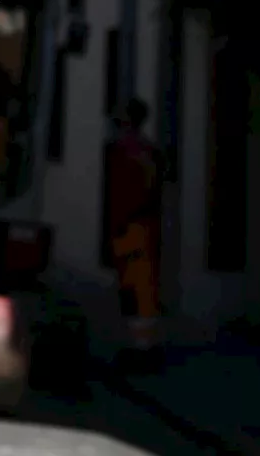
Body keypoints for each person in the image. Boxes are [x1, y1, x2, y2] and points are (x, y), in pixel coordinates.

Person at [104, 97, 165, 368]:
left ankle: (141, 348)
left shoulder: (124, 151)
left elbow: (120, 194)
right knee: (141, 287)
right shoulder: (147, 152)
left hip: (130, 225)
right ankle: (141, 345)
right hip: (143, 225)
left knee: (134, 288)